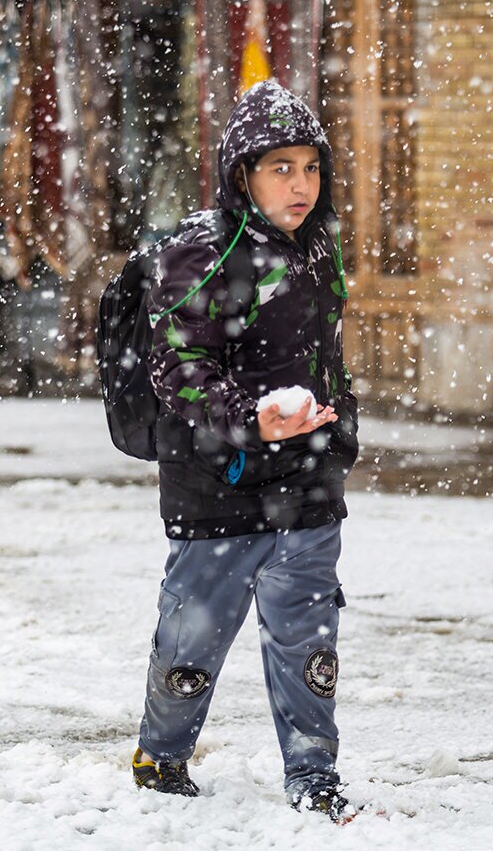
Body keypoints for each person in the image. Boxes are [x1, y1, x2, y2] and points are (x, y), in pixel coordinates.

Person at [130, 80, 359, 822]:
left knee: (307, 634)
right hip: (217, 481)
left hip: (309, 473)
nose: (301, 185)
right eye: (280, 168)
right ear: (241, 174)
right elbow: (176, 366)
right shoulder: (202, 249)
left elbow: (328, 355)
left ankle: (314, 773)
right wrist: (253, 419)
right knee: (193, 637)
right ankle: (162, 757)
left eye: (311, 167)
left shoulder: (318, 244)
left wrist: (339, 424)